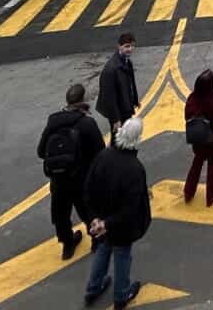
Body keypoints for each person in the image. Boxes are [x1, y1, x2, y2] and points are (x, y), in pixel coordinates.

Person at [83, 117, 150, 309]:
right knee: (122, 255)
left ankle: (93, 289)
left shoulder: (103, 156)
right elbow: (130, 210)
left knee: (102, 250)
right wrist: (108, 224)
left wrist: (95, 220)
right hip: (120, 227)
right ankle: (121, 295)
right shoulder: (135, 169)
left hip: (102, 219)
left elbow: (88, 189)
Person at [38, 83, 105, 259]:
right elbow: (100, 151)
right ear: (82, 101)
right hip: (82, 179)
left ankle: (67, 245)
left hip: (59, 180)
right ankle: (96, 240)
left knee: (60, 214)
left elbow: (40, 151)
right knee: (88, 210)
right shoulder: (87, 123)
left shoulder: (52, 122)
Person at [183, 70, 213, 207]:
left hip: (199, 138)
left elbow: (187, 116)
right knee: (212, 166)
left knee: (196, 165)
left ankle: (189, 192)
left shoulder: (192, 98)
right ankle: (211, 196)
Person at [96, 33, 139, 139]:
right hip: (119, 112)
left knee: (125, 137)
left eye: (132, 46)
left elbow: (130, 84)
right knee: (118, 139)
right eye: (127, 46)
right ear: (119, 46)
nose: (130, 49)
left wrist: (134, 100)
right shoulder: (111, 69)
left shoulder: (126, 62)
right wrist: (116, 119)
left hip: (125, 107)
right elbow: (108, 96)